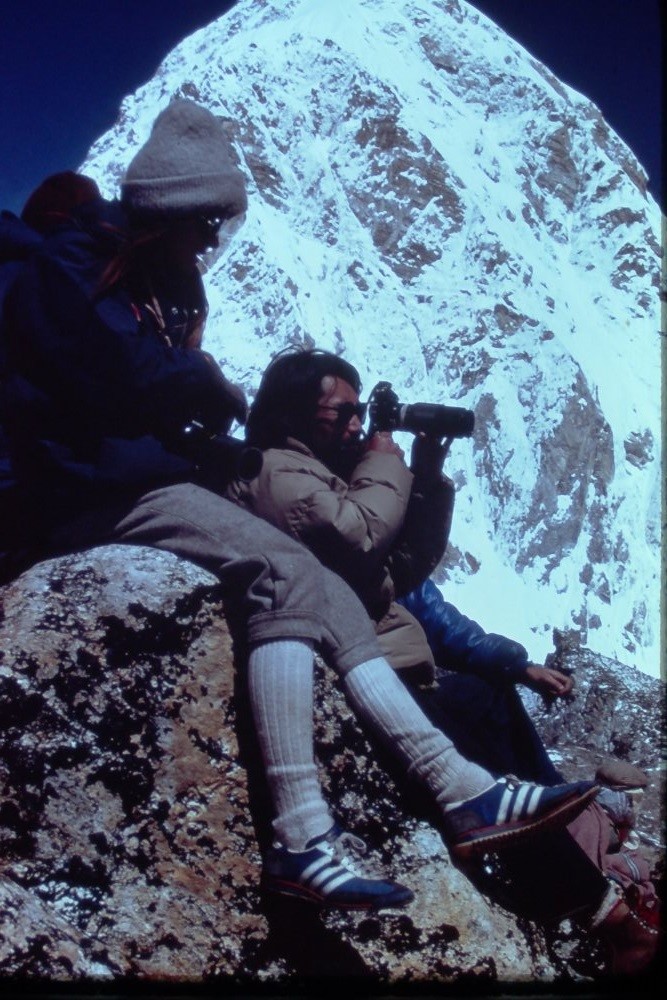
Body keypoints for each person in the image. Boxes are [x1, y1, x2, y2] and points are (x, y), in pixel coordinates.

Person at [0, 99, 598, 916]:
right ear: (168, 210)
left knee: (309, 584)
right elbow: (111, 379)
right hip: (87, 493)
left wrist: (202, 436)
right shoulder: (69, 269)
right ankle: (317, 836)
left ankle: (447, 795)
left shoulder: (145, 276)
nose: (211, 242)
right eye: (204, 222)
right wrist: (199, 388)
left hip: (132, 478)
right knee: (287, 572)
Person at [226, 348, 660, 970]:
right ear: (296, 413)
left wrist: (424, 475)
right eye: (342, 413)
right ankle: (606, 915)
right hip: (359, 675)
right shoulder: (279, 475)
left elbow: (403, 570)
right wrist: (383, 464)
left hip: (389, 665)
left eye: (358, 414)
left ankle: (563, 839)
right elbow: (362, 537)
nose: (356, 426)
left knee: (487, 699)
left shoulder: (317, 472)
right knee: (474, 731)